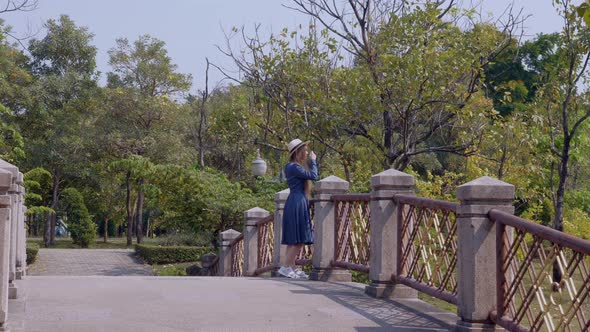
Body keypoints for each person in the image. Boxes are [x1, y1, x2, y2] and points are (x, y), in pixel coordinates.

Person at [278, 138, 319, 279]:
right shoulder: (294, 167)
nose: (307, 152)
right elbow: (314, 176)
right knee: (298, 239)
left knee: (294, 239)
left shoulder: (291, 167)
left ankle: (292, 267)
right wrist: (313, 161)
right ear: (298, 152)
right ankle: (285, 267)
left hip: (296, 201)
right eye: (305, 150)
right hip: (297, 202)